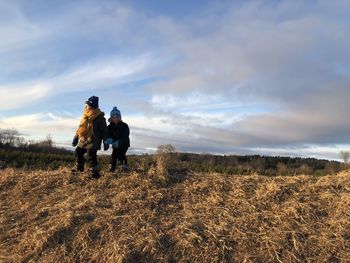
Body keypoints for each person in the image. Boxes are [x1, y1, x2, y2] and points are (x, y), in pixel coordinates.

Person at [71, 96, 108, 178]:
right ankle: (79, 167)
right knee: (78, 151)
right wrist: (76, 136)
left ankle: (95, 173)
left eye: (87, 105)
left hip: (94, 140)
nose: (86, 107)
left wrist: (106, 141)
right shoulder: (85, 115)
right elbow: (80, 127)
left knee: (90, 154)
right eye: (86, 105)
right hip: (83, 138)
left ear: (92, 107)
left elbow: (104, 131)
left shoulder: (100, 118)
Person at [104, 107, 130, 172]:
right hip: (115, 144)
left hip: (124, 143)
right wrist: (108, 140)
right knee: (114, 155)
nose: (115, 119)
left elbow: (126, 135)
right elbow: (107, 134)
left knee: (121, 154)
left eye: (117, 117)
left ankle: (124, 167)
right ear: (111, 118)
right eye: (113, 117)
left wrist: (120, 141)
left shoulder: (124, 125)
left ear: (120, 118)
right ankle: (112, 167)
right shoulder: (110, 127)